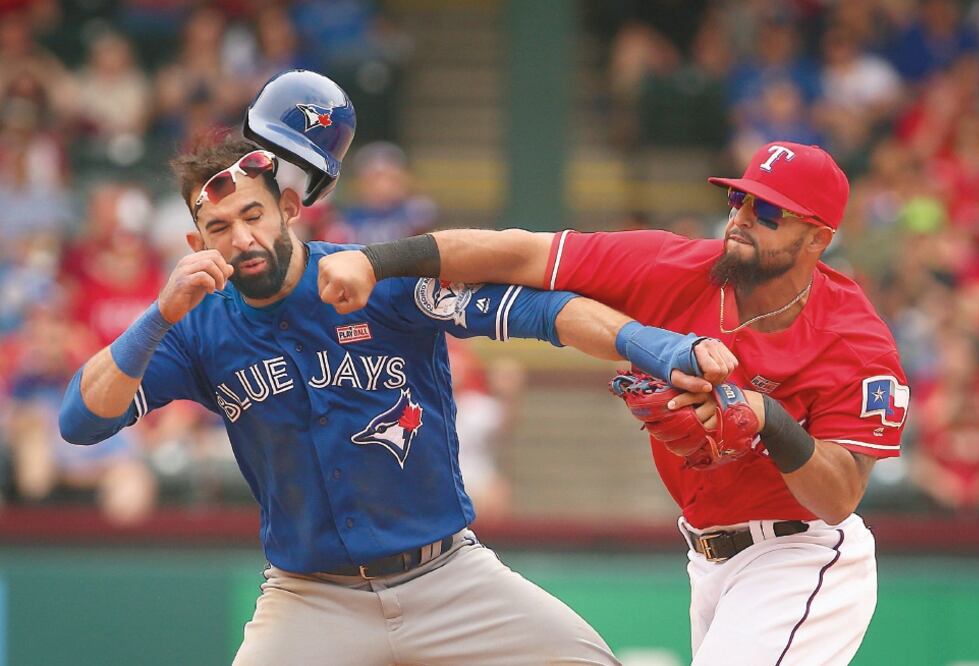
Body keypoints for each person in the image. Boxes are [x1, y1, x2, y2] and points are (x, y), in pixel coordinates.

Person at [58, 71, 739, 665]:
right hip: (309, 598)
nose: (241, 238)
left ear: (290, 209)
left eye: (254, 214)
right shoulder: (195, 327)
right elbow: (81, 420)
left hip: (447, 578)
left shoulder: (371, 278)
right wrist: (158, 314)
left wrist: (664, 348)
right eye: (218, 228)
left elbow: (543, 313)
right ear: (194, 241)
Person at [319, 141, 910, 665]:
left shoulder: (854, 341)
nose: (743, 219)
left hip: (801, 556)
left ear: (818, 238)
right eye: (738, 201)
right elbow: (520, 253)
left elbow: (838, 499)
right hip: (709, 558)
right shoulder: (674, 267)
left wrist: (767, 417)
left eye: (769, 211)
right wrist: (376, 261)